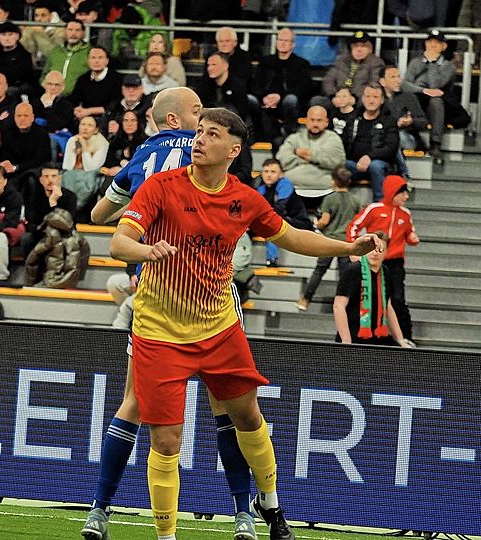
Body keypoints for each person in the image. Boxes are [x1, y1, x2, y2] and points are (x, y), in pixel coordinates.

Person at [109, 107, 383, 540]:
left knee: (249, 417)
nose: (199, 140)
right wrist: (146, 251)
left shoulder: (246, 199)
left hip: (218, 329)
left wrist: (348, 247)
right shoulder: (161, 186)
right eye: (199, 131)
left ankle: (270, 502)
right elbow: (118, 242)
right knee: (165, 441)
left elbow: (293, 237)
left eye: (211, 134)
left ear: (233, 150)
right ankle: (166, 536)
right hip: (160, 333)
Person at [85, 89, 265, 540]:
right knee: (224, 405)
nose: (203, 122)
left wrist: (139, 221)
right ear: (176, 119)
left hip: (153, 291)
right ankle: (242, 511)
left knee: (133, 402)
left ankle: (100, 509)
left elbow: (99, 213)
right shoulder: (205, 151)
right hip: (207, 296)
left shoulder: (143, 156)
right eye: (197, 113)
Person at [346, 175, 420, 345]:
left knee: (398, 299)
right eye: (402, 193)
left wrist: (412, 239)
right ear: (392, 192)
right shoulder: (374, 209)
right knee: (370, 298)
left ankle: (405, 337)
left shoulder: (406, 214)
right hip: (374, 262)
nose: (406, 197)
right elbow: (354, 226)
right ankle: (365, 334)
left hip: (395, 263)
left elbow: (409, 233)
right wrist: (353, 249)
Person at [298, 165, 362, 311]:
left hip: (329, 241)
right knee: (344, 274)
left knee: (319, 271)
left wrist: (316, 224)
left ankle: (305, 299)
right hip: (347, 243)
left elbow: (324, 221)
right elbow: (359, 220)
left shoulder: (329, 199)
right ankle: (345, 303)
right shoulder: (355, 200)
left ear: (333, 181)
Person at [333, 231, 410, 347]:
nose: (375, 253)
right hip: (354, 337)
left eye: (380, 249)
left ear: (386, 252)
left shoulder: (385, 272)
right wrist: (346, 340)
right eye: (371, 249)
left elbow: (387, 307)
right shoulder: (353, 270)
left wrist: (400, 339)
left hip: (378, 338)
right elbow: (338, 306)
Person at [402, 29, 460, 162]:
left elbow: (435, 85)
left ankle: (435, 143)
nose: (432, 45)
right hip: (418, 96)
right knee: (406, 99)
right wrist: (423, 90)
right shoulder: (415, 62)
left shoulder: (448, 66)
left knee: (436, 101)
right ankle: (415, 138)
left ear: (444, 46)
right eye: (430, 42)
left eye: (437, 43)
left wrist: (432, 63)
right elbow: (405, 84)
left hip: (439, 103)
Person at [340, 85, 399, 204]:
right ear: (363, 98)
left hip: (380, 164)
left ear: (382, 100)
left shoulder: (389, 121)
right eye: (368, 96)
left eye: (375, 97)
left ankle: (380, 205)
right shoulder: (353, 118)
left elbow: (391, 148)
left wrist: (369, 157)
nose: (371, 100)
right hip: (354, 164)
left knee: (375, 166)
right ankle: (340, 203)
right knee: (338, 165)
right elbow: (344, 142)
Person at [276, 105, 346, 200]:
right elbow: (282, 159)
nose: (315, 124)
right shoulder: (295, 137)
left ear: (326, 122)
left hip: (326, 190)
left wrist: (300, 154)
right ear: (306, 121)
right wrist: (310, 160)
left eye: (319, 120)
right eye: (312, 120)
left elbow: (335, 162)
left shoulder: (333, 139)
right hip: (293, 190)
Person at [251, 28, 312, 137]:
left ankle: (289, 132)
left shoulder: (302, 64)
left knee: (291, 99)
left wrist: (280, 97)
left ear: (293, 45)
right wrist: (263, 98)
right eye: (280, 40)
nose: (282, 43)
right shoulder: (265, 62)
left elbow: (304, 88)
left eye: (286, 40)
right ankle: (254, 134)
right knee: (249, 99)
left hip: (287, 102)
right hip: (265, 101)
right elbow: (255, 84)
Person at [256, 158, 312, 266]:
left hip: (298, 222)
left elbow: (279, 208)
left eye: (273, 172)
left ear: (281, 174)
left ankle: (272, 259)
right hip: (278, 219)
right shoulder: (261, 186)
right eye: (266, 171)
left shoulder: (285, 184)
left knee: (272, 223)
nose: (268, 175)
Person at [0, 102, 51, 194]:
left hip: (33, 170)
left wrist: (16, 167)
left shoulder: (42, 134)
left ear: (32, 117)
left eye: (26, 116)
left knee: (30, 179)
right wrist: (6, 164)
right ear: (14, 117)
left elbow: (40, 160)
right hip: (12, 170)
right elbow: (4, 156)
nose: (22, 119)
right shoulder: (8, 134)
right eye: (19, 116)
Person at [320, 31, 384, 102]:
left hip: (360, 100)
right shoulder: (341, 60)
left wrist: (353, 97)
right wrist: (334, 96)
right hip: (337, 98)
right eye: (355, 46)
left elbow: (374, 84)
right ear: (350, 48)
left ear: (370, 49)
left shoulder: (376, 62)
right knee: (317, 100)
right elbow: (328, 80)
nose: (359, 50)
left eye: (363, 46)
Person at [62, 115, 107, 211]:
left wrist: (84, 146)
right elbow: (67, 166)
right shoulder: (73, 140)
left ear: (96, 130)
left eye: (90, 125)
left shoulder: (102, 143)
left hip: (90, 177)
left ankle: (75, 208)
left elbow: (90, 168)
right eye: (83, 124)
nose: (85, 128)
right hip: (72, 176)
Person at [41, 20, 90, 95]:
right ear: (65, 31)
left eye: (77, 30)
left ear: (84, 33)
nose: (73, 33)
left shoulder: (90, 52)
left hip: (77, 97)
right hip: (51, 96)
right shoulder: (56, 51)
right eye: (70, 30)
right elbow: (45, 74)